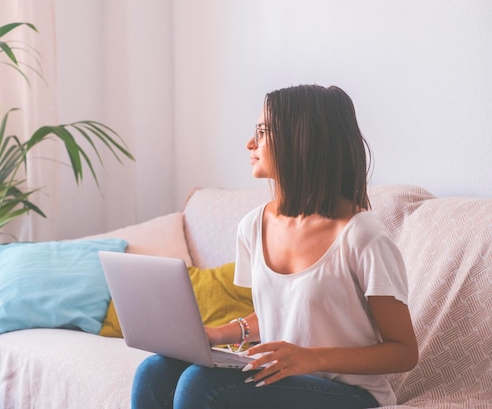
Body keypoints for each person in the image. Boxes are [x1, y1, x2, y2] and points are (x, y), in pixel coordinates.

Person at [131, 84, 418, 409]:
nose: (250, 143)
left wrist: (310, 359)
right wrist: (214, 335)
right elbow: (281, 314)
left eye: (263, 133)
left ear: (301, 142)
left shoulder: (361, 234)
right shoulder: (253, 225)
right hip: (284, 382)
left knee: (203, 385)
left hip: (350, 395)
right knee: (155, 371)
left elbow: (403, 351)